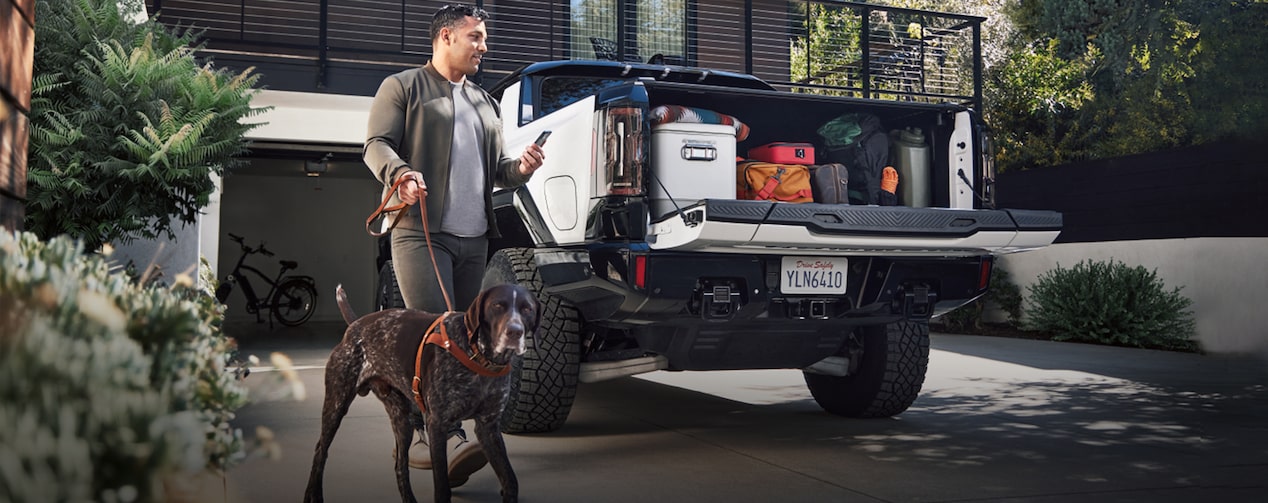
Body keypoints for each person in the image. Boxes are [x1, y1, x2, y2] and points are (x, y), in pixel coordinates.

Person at [362, 3, 545, 485]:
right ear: (446, 36)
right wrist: (400, 174)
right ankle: (430, 433)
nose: (484, 46)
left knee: (469, 339)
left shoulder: (486, 102)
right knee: (436, 333)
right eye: (476, 37)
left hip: (473, 236)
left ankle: (463, 429)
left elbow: (496, 171)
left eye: (484, 38)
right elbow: (376, 143)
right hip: (422, 231)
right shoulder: (403, 87)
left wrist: (520, 168)